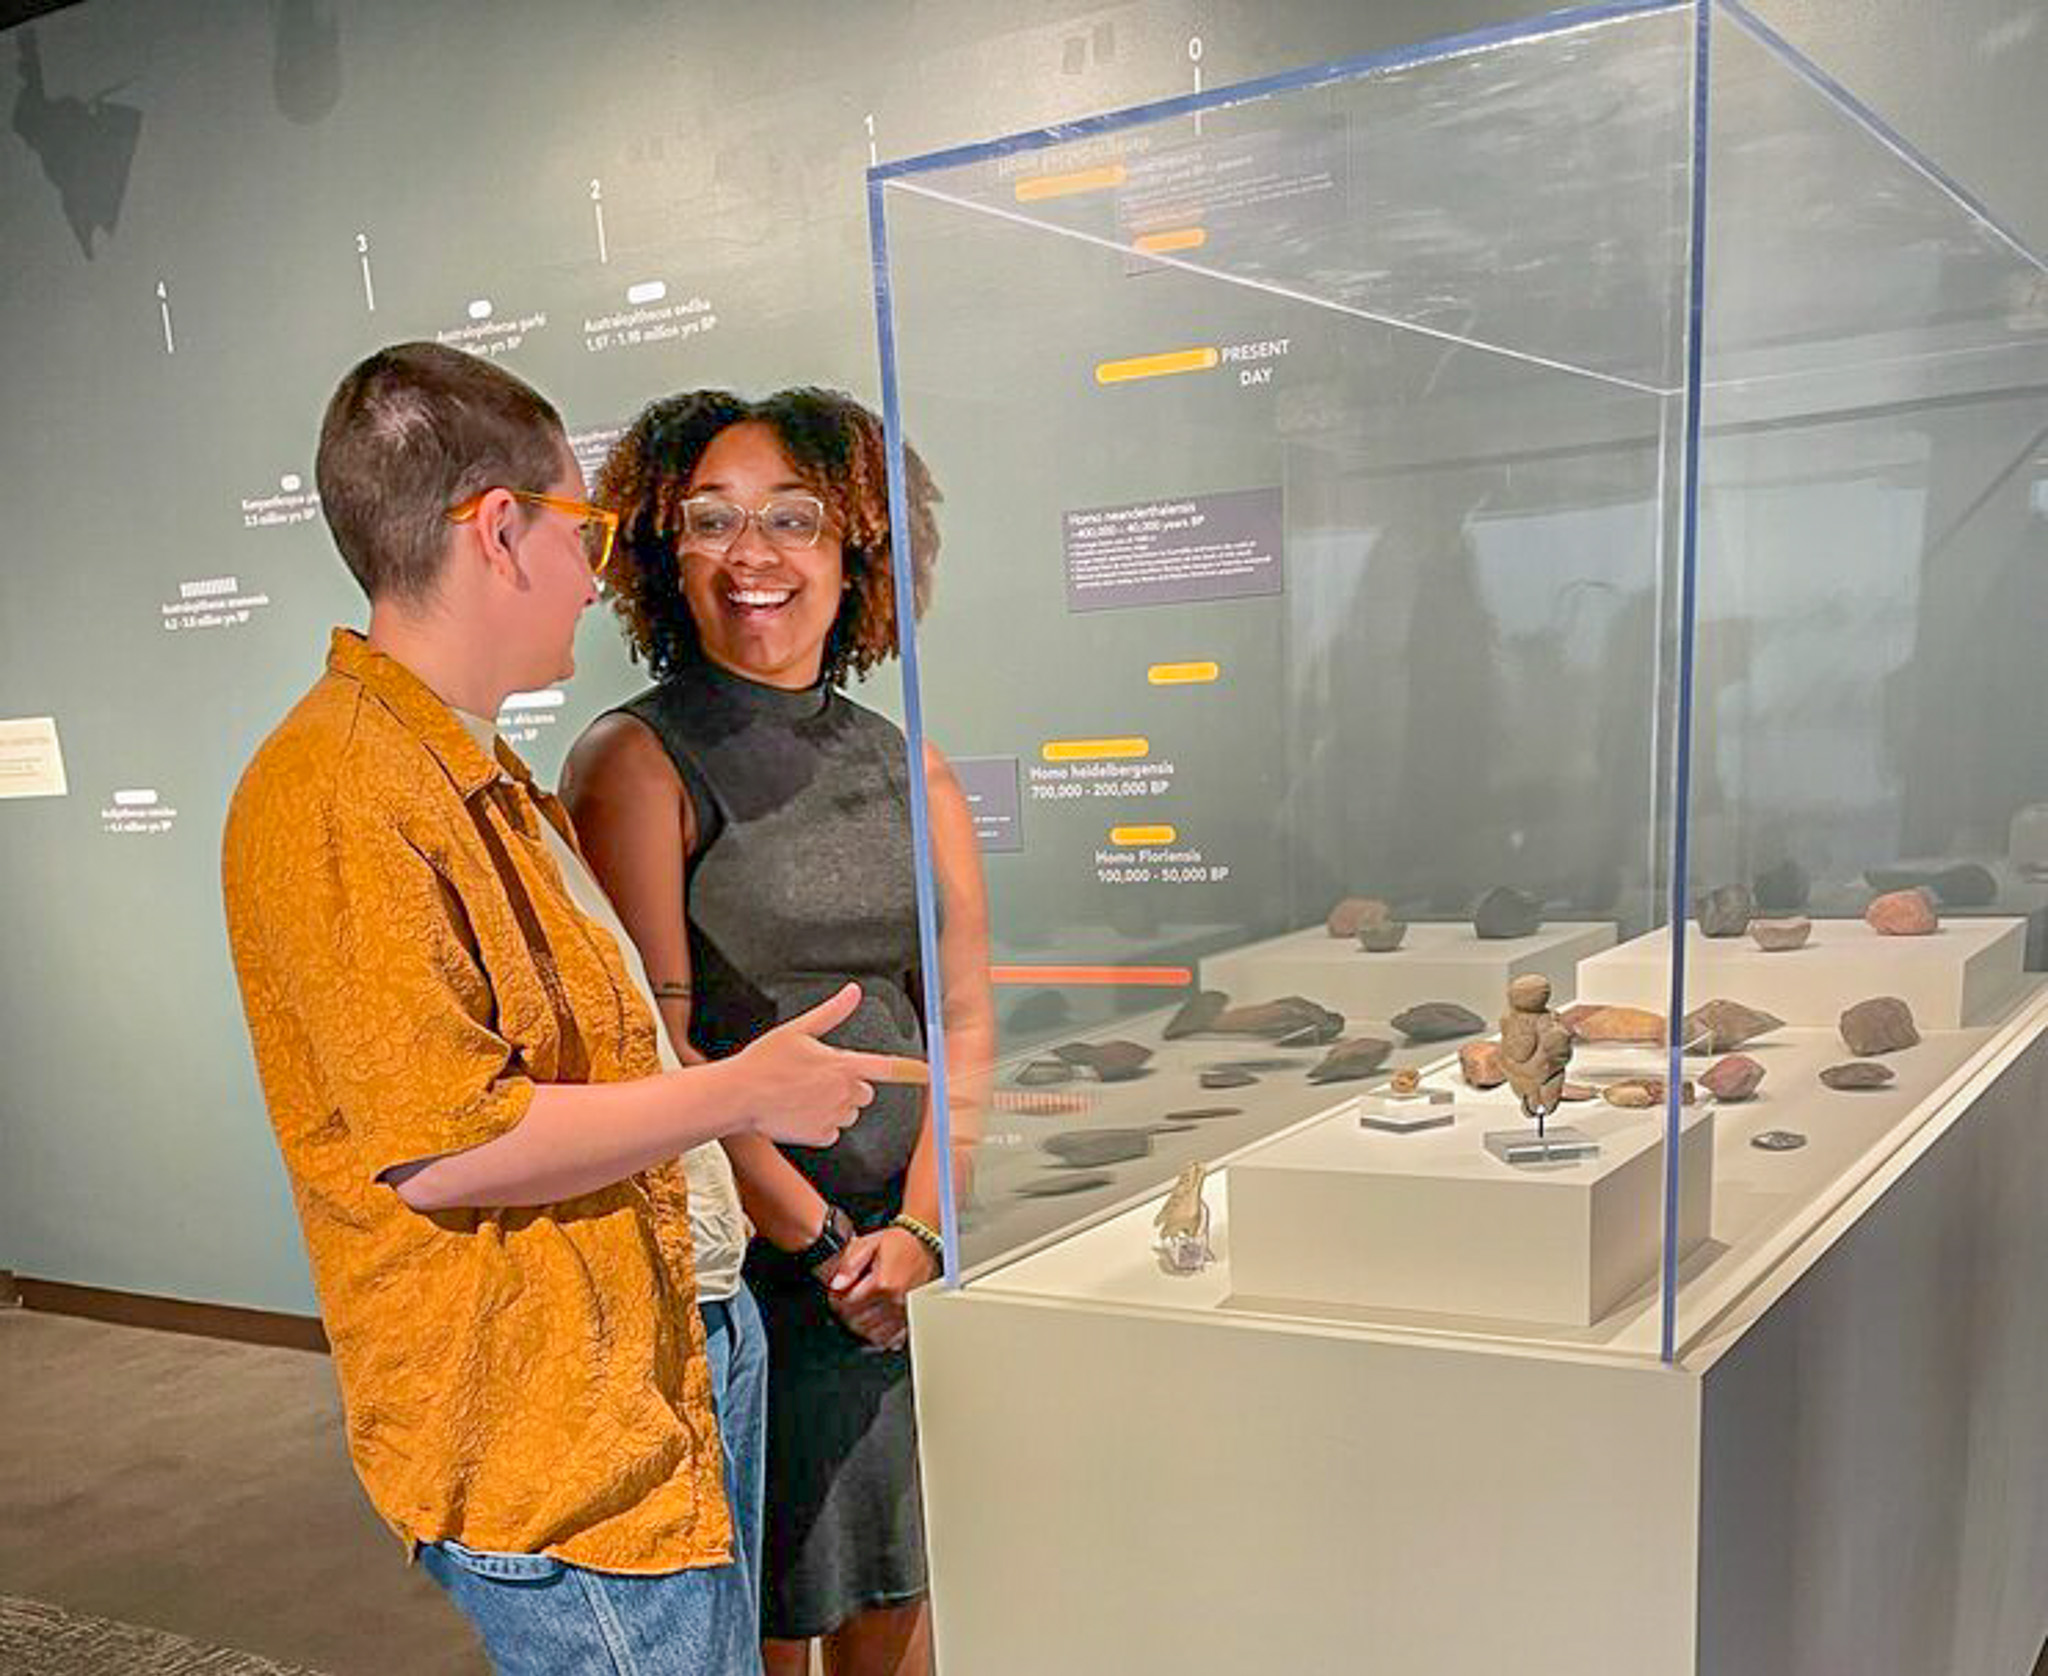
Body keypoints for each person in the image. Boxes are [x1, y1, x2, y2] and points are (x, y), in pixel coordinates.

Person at [221, 343, 926, 1676]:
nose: (601, 569)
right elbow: (446, 1147)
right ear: (500, 531)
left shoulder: (474, 771)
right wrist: (745, 1094)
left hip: (667, 1367)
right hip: (569, 1437)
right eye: (582, 528)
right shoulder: (341, 792)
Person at [560, 388, 993, 1676]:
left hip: (904, 1274)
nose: (756, 555)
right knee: (766, 1627)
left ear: (858, 544)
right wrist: (831, 1253)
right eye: (713, 520)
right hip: (765, 1286)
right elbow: (656, 1051)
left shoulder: (905, 763)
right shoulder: (635, 761)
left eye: (795, 519)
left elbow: (963, 1014)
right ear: (659, 551)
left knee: (905, 1599)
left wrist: (923, 1231)